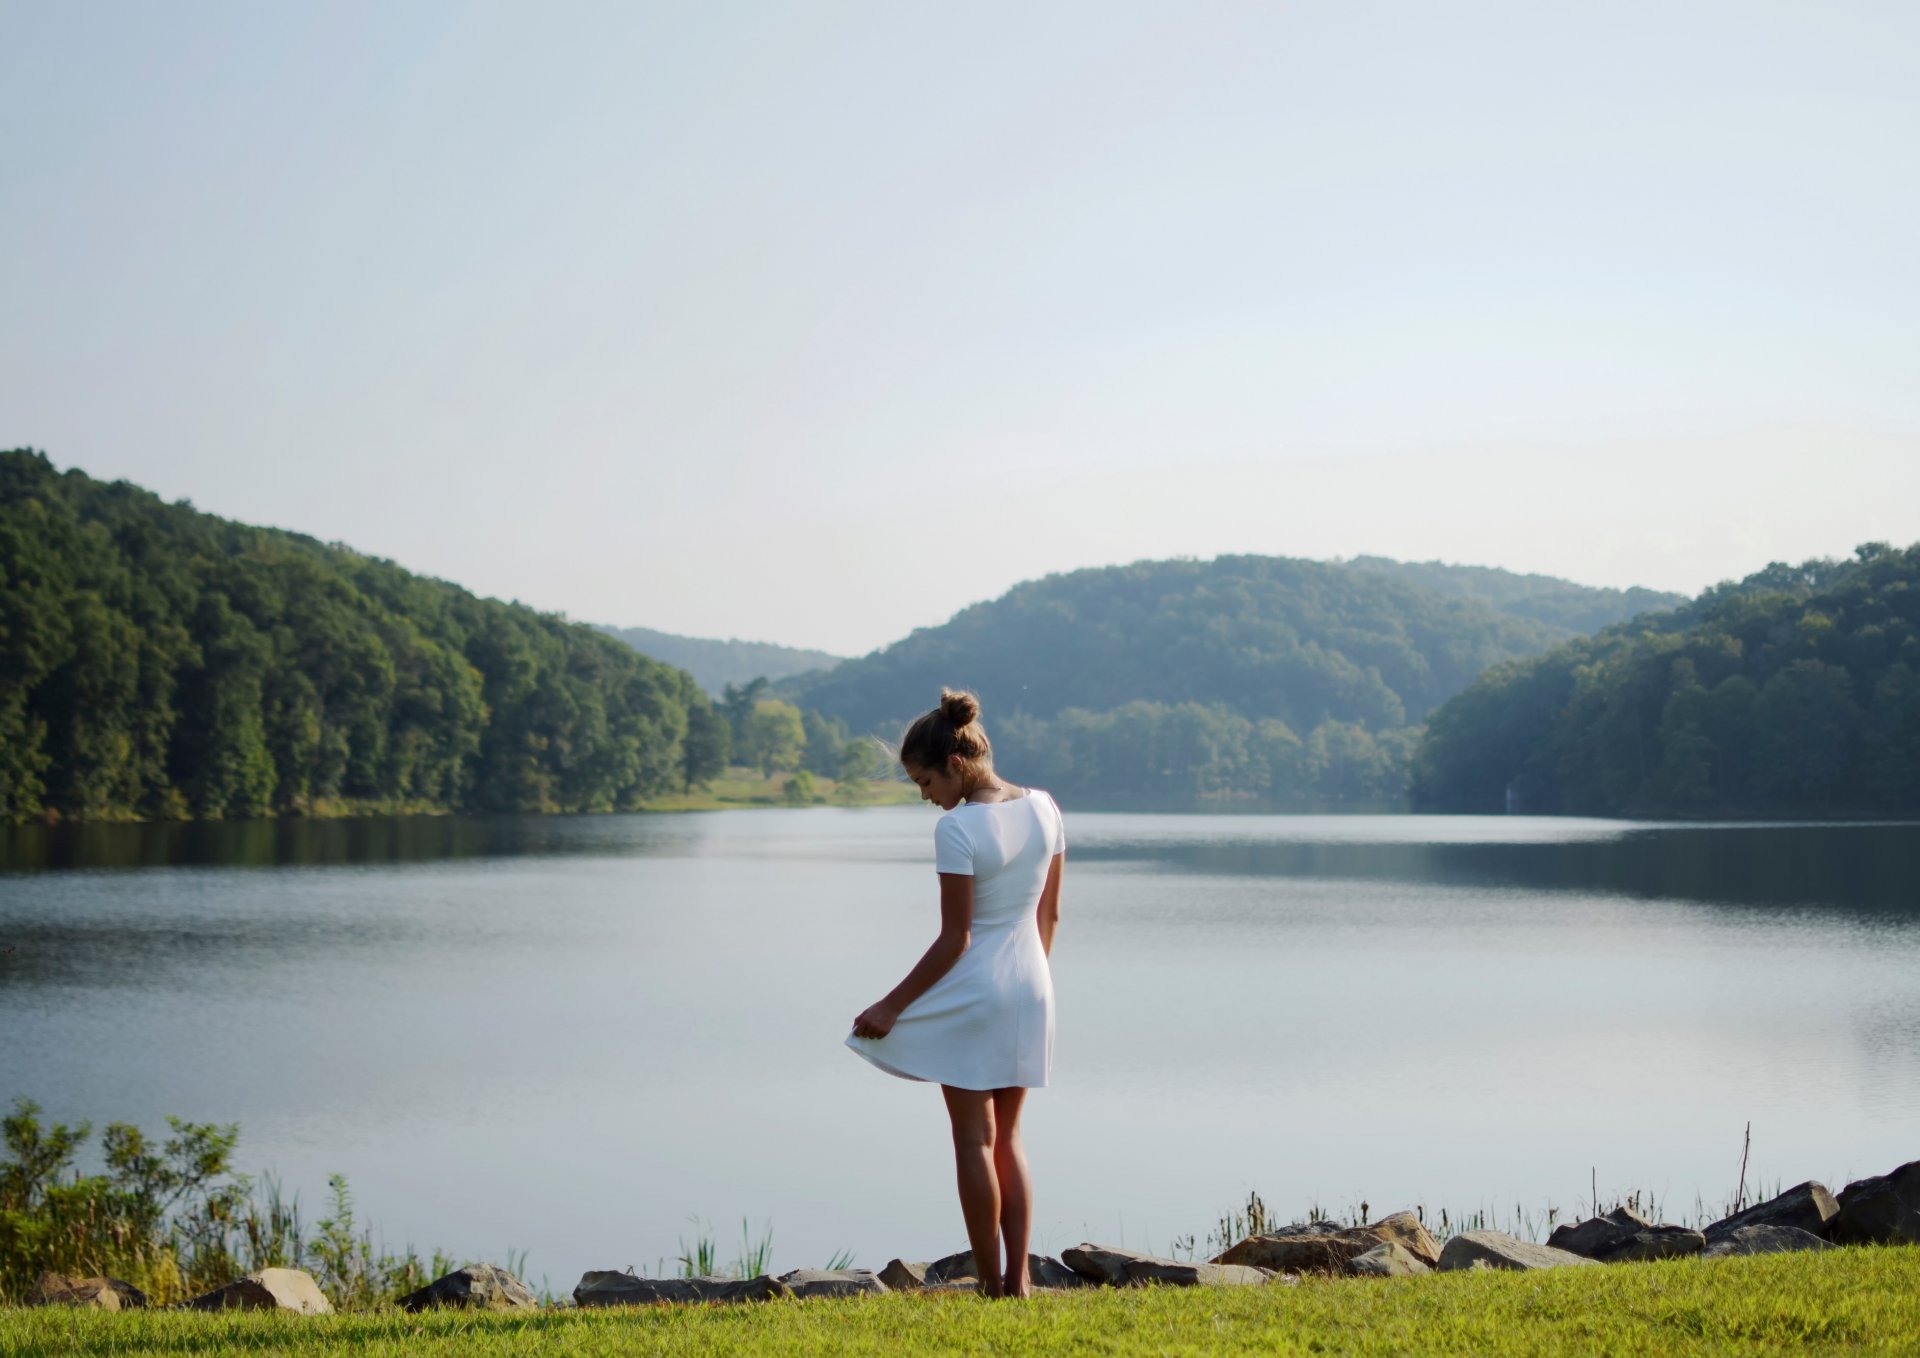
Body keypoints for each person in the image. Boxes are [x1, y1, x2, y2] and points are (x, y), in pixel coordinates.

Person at [846, 688, 1065, 1299]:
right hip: (1032, 985)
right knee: (1011, 1139)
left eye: (924, 781)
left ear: (957, 765)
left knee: (974, 1140)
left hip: (977, 991)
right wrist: (1024, 982)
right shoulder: (1046, 808)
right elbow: (1049, 919)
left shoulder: (959, 828)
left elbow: (955, 940)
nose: (925, 796)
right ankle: (1019, 1281)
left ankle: (990, 1282)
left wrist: (891, 1006)